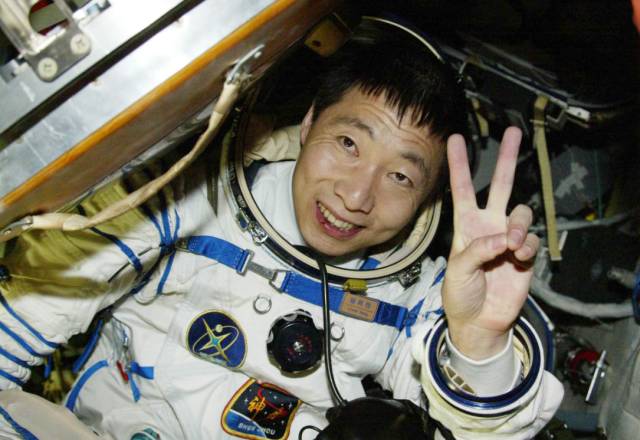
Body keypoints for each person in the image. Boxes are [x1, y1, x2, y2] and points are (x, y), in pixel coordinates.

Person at [0, 17, 563, 439]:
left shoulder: (415, 298)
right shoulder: (186, 200)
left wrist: (479, 346)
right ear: (310, 122)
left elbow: (477, 432)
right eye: (348, 143)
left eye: (399, 177)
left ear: (427, 202)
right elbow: (16, 326)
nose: (356, 197)